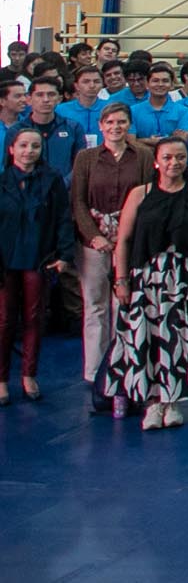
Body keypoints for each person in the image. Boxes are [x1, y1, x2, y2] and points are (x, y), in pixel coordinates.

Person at [106, 136, 188, 431]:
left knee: (180, 340)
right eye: (168, 157)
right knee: (148, 340)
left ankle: (173, 401)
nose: (174, 163)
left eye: (180, 157)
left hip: (184, 279)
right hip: (146, 280)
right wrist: (120, 279)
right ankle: (152, 403)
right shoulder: (139, 194)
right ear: (157, 161)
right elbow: (124, 240)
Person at [69, 102, 151, 411]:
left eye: (122, 122)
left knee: (124, 306)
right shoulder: (86, 158)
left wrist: (128, 237)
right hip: (93, 240)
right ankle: (93, 372)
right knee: (95, 305)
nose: (116, 127)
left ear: (129, 125)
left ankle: (122, 365)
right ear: (101, 126)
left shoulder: (143, 155)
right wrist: (94, 235)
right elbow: (77, 200)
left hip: (130, 240)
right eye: (110, 122)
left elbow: (146, 195)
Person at [0, 126, 74, 404]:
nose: (28, 151)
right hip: (5, 261)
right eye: (23, 146)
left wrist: (64, 255)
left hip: (38, 258)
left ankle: (29, 375)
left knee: (34, 319)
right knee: (4, 321)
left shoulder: (52, 180)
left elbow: (62, 219)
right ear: (11, 149)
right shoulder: (1, 181)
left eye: (34, 146)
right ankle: (2, 379)